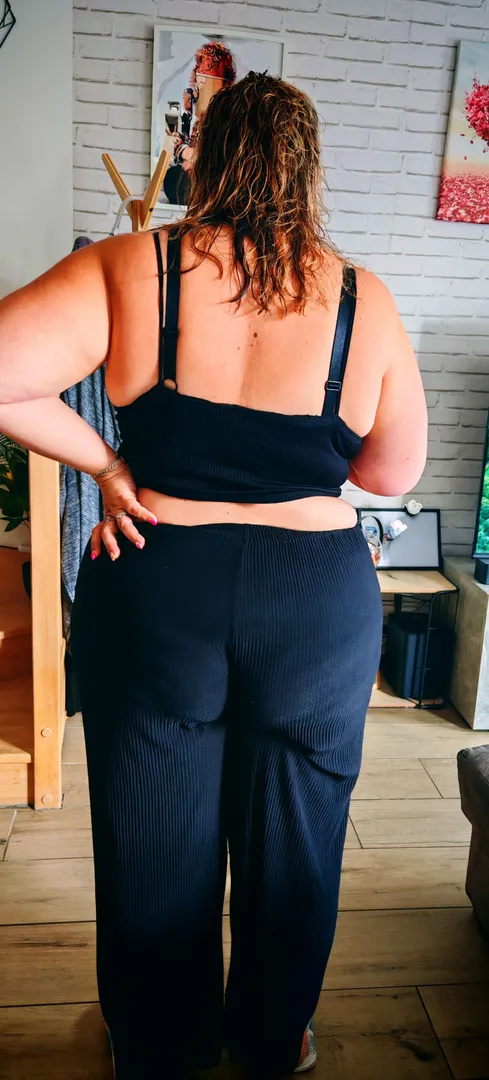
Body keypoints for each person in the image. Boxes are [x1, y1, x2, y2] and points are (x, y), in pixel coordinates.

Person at [0, 73, 427, 1080]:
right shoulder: (361, 296)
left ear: (204, 157)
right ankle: (275, 1038)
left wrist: (108, 468)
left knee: (153, 831)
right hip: (312, 601)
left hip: (160, 580)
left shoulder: (132, 265)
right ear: (309, 171)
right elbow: (392, 474)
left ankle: (158, 1043)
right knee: (298, 835)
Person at [163, 40, 236, 205]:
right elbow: (179, 142)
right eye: (200, 75)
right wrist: (183, 150)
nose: (200, 82)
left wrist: (188, 153)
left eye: (207, 75)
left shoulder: (226, 121)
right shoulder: (194, 116)